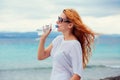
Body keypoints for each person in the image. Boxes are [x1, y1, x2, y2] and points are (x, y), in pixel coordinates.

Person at [37, 8, 95, 80]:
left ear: (70, 25)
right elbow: (41, 56)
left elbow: (77, 75)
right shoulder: (58, 39)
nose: (57, 21)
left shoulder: (74, 45)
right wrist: (43, 38)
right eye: (58, 18)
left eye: (60, 20)